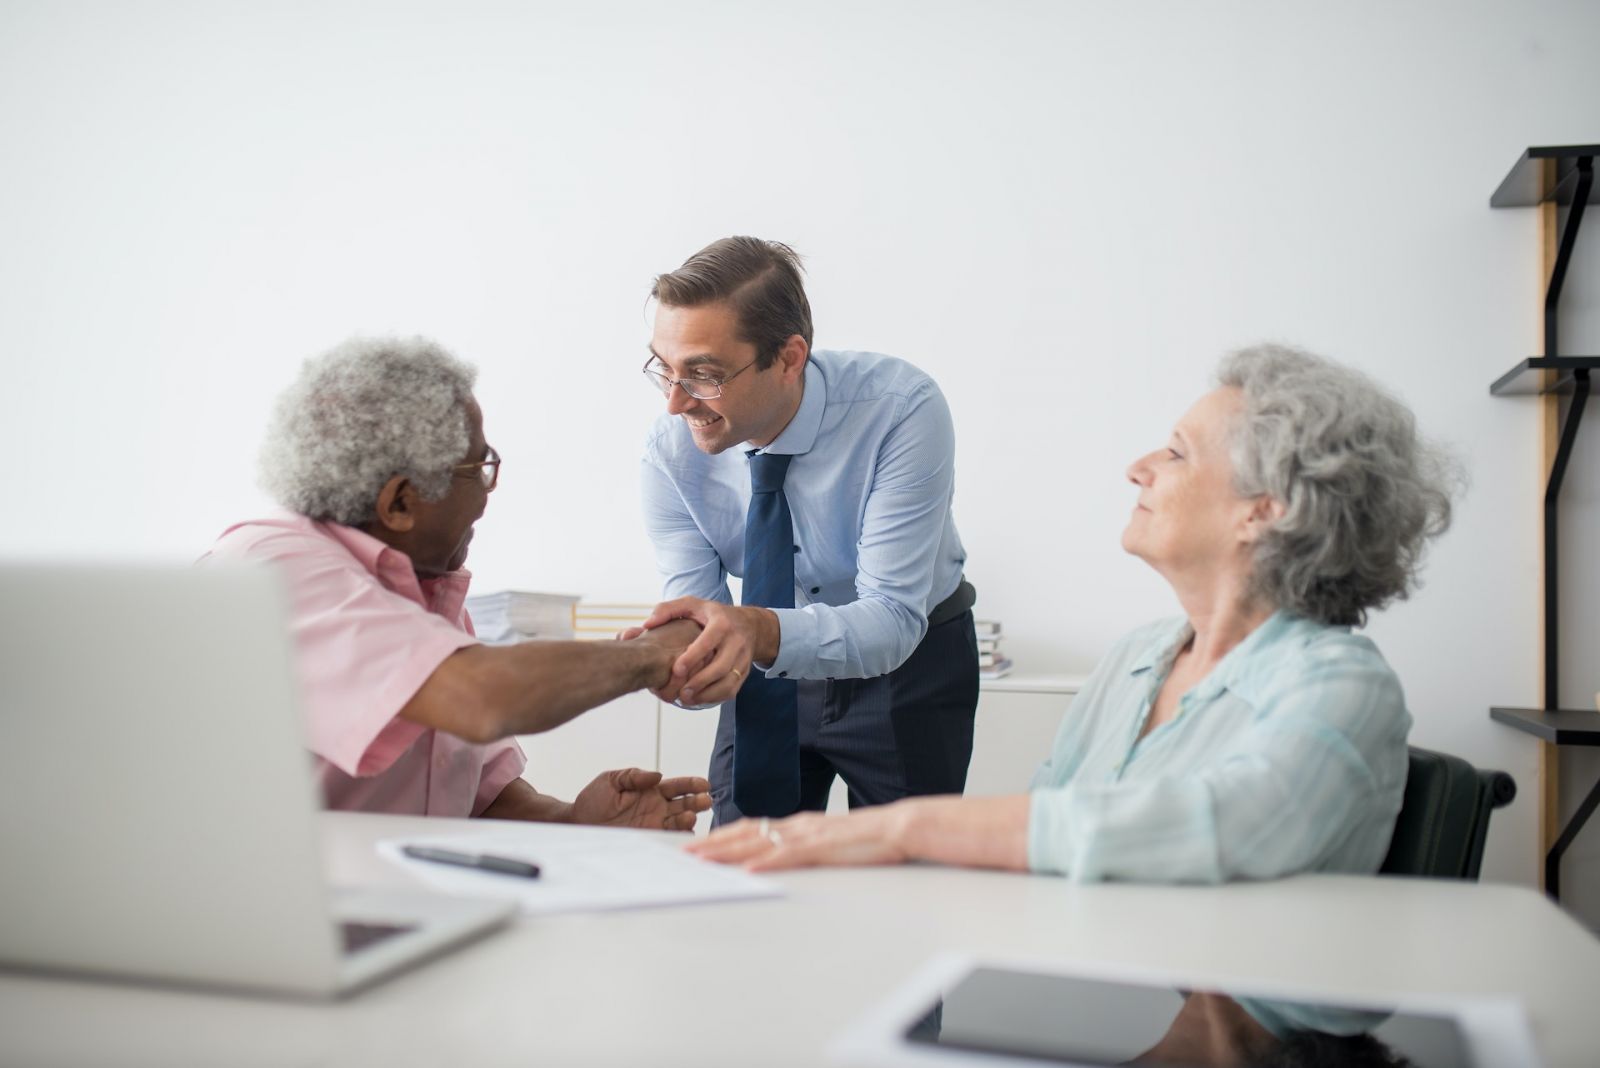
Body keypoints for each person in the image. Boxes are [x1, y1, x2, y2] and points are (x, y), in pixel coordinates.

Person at [689, 344, 1457, 879]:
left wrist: (893, 828)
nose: (1140, 467)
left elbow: (1218, 826)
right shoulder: (1141, 658)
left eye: (1179, 452)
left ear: (1264, 509)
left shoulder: (1342, 684)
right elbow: (1051, 834)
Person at [202, 336, 712, 829]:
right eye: (479, 468)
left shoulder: (418, 590)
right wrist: (654, 653)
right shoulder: (271, 571)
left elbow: (475, 797)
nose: (488, 493)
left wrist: (574, 820)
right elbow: (483, 699)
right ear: (400, 502)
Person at [635, 236, 978, 824]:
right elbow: (702, 618)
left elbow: (892, 618)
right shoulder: (670, 453)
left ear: (790, 358)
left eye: (703, 374)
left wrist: (747, 633)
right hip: (763, 664)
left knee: (909, 877)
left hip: (910, 663)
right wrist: (674, 661)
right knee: (743, 860)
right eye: (664, 369)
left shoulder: (901, 409)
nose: (675, 403)